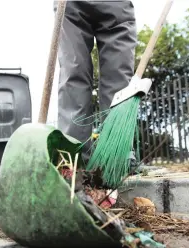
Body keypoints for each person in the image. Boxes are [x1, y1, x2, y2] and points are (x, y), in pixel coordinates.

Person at [54, 0, 137, 165]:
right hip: (71, 4)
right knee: (73, 71)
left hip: (116, 4)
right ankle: (72, 158)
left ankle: (115, 155)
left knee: (119, 77)